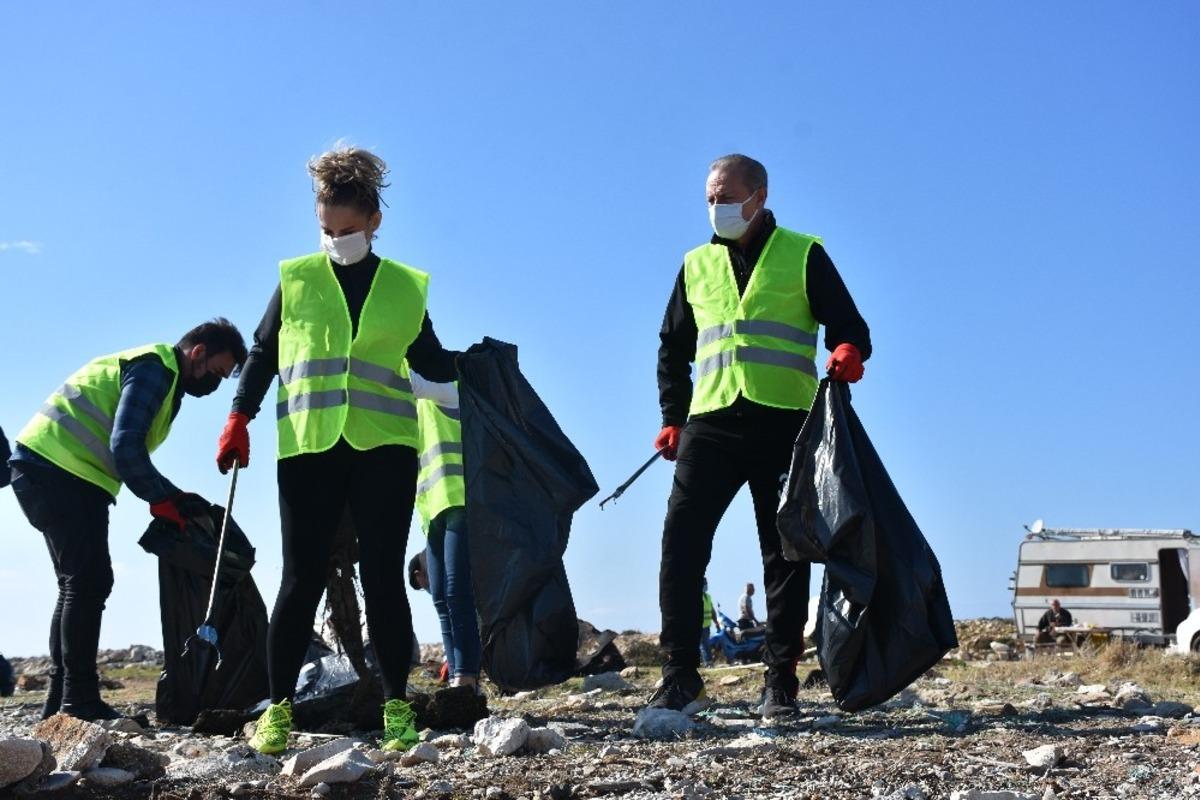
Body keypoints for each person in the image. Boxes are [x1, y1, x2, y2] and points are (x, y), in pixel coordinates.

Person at [216, 146, 463, 754]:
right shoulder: (296, 279)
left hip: (384, 448)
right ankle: (278, 711)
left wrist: (477, 372)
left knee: (383, 578)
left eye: (348, 231)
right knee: (299, 579)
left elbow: (430, 361)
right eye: (326, 230)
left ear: (375, 221)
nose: (337, 240)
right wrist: (237, 416)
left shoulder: (406, 287)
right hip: (310, 445)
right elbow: (263, 354)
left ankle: (397, 710)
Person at [652, 153, 872, 720]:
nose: (716, 207)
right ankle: (679, 675)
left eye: (726, 195)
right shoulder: (695, 264)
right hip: (712, 421)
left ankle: (780, 683)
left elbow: (850, 324)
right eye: (709, 198)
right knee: (681, 541)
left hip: (785, 424)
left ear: (760, 195)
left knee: (784, 554)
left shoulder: (804, 253)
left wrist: (847, 351)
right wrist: (673, 416)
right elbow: (672, 348)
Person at [8, 320, 246, 721]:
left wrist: (169, 496)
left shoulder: (164, 379)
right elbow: (126, 446)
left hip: (52, 470)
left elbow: (130, 451)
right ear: (198, 352)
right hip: (59, 471)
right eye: (217, 373)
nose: (214, 386)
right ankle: (79, 701)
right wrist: (164, 499)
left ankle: (60, 703)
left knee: (76, 583)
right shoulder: (157, 369)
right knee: (88, 581)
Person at [412, 372, 482, 692]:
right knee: (440, 596)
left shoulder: (447, 385)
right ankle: (455, 675)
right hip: (432, 513)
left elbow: (408, 380)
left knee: (457, 592)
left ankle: (467, 678)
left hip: (459, 503)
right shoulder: (416, 409)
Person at [699, 578, 719, 666]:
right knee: (703, 644)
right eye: (704, 584)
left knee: (706, 644)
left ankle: (708, 662)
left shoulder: (708, 596)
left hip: (706, 625)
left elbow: (712, 610)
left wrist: (716, 622)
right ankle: (707, 662)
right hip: (698, 626)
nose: (706, 585)